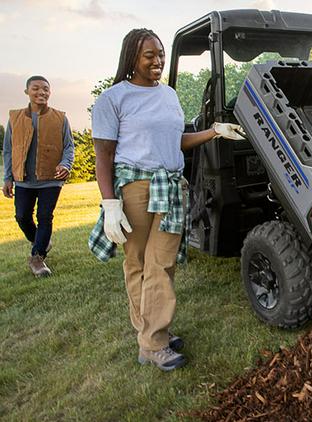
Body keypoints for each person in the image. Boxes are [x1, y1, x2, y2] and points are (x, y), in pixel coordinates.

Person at [89, 28, 244, 372]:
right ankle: (151, 337)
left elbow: (178, 140)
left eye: (160, 54)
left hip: (170, 188)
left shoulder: (169, 96)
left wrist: (215, 130)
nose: (157, 61)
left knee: (161, 263)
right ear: (132, 57)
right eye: (149, 55)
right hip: (135, 190)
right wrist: (110, 204)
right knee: (138, 264)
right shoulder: (113, 99)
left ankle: (153, 339)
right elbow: (103, 155)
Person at [2, 76, 74, 277]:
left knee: (44, 217)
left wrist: (65, 164)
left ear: (50, 93)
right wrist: (7, 177)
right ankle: (40, 240)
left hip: (51, 179)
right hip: (23, 179)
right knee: (22, 216)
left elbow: (69, 147)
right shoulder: (15, 118)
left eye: (45, 89)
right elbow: (8, 150)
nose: (41, 92)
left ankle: (37, 257)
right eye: (36, 88)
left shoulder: (60, 118)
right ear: (27, 91)